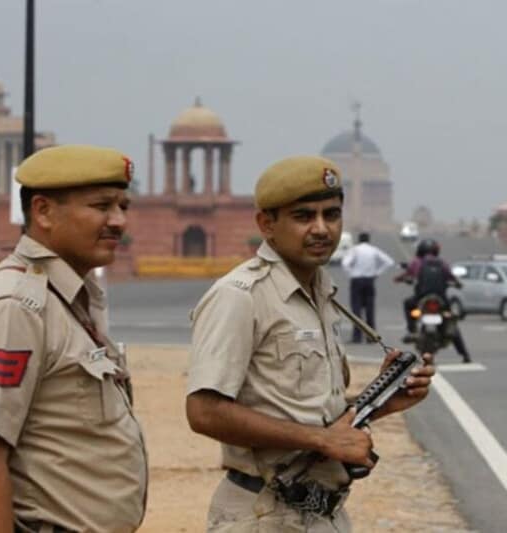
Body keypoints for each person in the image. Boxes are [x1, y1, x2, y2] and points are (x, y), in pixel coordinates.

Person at [185, 155, 435, 532]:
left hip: (323, 514)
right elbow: (203, 410)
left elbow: (306, 412)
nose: (321, 229)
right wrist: (322, 440)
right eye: (303, 217)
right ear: (267, 224)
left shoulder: (321, 294)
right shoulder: (241, 296)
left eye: (331, 215)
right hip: (263, 514)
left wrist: (381, 402)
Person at [0, 145, 147, 533]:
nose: (119, 221)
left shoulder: (68, 297)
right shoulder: (14, 307)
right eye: (101, 206)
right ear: (42, 211)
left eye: (123, 206)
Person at [395, 238, 472, 363]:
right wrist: (458, 283)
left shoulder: (417, 262)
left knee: (408, 304)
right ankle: (464, 354)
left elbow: (408, 274)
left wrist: (399, 279)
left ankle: (411, 329)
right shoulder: (442, 263)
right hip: (441, 299)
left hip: (422, 298)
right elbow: (451, 276)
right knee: (451, 322)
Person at [341, 231, 395, 343]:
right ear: (368, 239)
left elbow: (345, 263)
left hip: (356, 280)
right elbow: (389, 262)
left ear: (359, 239)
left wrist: (351, 274)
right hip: (369, 280)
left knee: (356, 310)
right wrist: (377, 272)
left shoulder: (355, 250)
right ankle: (371, 337)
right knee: (370, 309)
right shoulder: (373, 250)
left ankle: (357, 337)